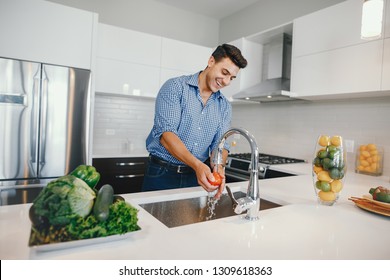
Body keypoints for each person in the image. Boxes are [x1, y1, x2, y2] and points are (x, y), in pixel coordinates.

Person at [142, 43, 247, 199]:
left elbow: (220, 145)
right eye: (224, 72)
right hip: (162, 174)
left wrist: (218, 168)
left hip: (195, 177)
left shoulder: (224, 106)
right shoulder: (175, 87)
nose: (226, 82)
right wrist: (198, 165)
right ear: (211, 61)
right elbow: (166, 135)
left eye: (231, 77)